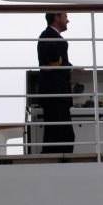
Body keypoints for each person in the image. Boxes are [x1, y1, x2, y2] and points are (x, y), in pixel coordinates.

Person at [37, 13, 78, 154]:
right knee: (57, 135)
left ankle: (58, 163)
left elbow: (56, 62)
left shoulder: (51, 36)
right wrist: (58, 64)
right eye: (65, 16)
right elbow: (54, 59)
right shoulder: (49, 35)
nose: (68, 20)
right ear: (57, 17)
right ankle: (53, 163)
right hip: (55, 94)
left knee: (64, 135)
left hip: (58, 94)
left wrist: (68, 66)